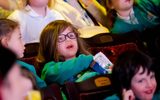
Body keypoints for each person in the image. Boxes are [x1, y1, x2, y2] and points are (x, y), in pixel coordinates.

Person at [36, 20, 106, 85]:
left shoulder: (89, 60)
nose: (68, 40)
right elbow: (60, 73)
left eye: (71, 35)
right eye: (60, 38)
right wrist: (87, 60)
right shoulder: (49, 69)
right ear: (49, 46)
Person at [0, 19, 46, 88]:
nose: (24, 43)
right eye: (19, 38)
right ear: (5, 43)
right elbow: (45, 91)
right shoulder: (24, 69)